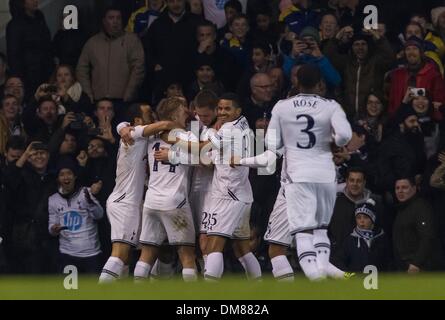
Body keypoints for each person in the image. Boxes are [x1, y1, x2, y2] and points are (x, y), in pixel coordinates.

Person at [265, 64, 352, 280]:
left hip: (294, 186)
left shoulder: (284, 110)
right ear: (319, 84)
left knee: (276, 250)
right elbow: (341, 138)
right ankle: (348, 280)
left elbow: (272, 145)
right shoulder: (327, 109)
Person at [76, 6, 145, 104]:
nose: (115, 21)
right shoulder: (92, 42)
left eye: (118, 18)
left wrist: (129, 94)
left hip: (124, 101)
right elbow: (81, 69)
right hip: (98, 100)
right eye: (111, 18)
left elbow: (138, 68)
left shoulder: (132, 40)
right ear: (104, 21)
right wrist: (88, 94)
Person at [49, 157, 104, 274]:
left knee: (92, 292)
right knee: (70, 291)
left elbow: (99, 215)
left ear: (75, 176)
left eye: (69, 173)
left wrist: (90, 202)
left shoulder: (86, 193)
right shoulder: (53, 200)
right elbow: (51, 228)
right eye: (62, 174)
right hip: (67, 255)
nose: (66, 177)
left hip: (91, 255)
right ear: (58, 178)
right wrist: (54, 229)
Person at [393, 177, 444, 272]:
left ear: (414, 189)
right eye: (397, 188)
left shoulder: (421, 207)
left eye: (404, 187)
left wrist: (416, 263)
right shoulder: (401, 209)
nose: (400, 191)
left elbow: (427, 237)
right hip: (407, 267)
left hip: (421, 268)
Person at [6, 0, 54, 97]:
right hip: (27, 77)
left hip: (45, 73)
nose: (35, 1)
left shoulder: (40, 19)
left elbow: (47, 46)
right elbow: (13, 55)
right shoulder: (15, 25)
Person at [333, 199, 390, 273]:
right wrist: (349, 278)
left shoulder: (382, 238)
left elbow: (389, 263)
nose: (362, 221)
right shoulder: (350, 240)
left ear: (373, 219)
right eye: (359, 217)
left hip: (379, 282)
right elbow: (338, 262)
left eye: (366, 217)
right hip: (355, 283)